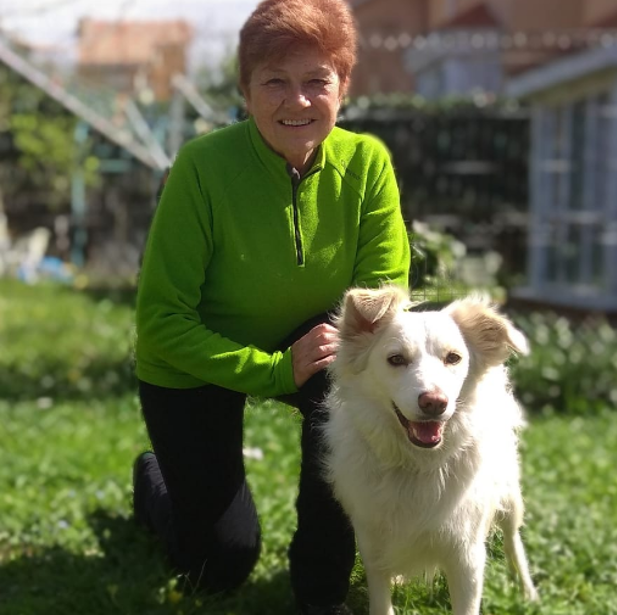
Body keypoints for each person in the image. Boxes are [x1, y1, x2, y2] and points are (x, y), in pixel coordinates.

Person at [131, 0, 410, 613]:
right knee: (218, 566)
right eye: (275, 81)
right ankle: (155, 484)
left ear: (345, 87)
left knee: (353, 389)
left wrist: (320, 355)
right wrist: (275, 370)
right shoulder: (202, 168)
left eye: (317, 81)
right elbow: (160, 323)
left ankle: (322, 588)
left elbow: (382, 297)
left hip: (316, 343)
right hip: (196, 358)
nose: (298, 101)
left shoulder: (366, 163)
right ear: (245, 88)